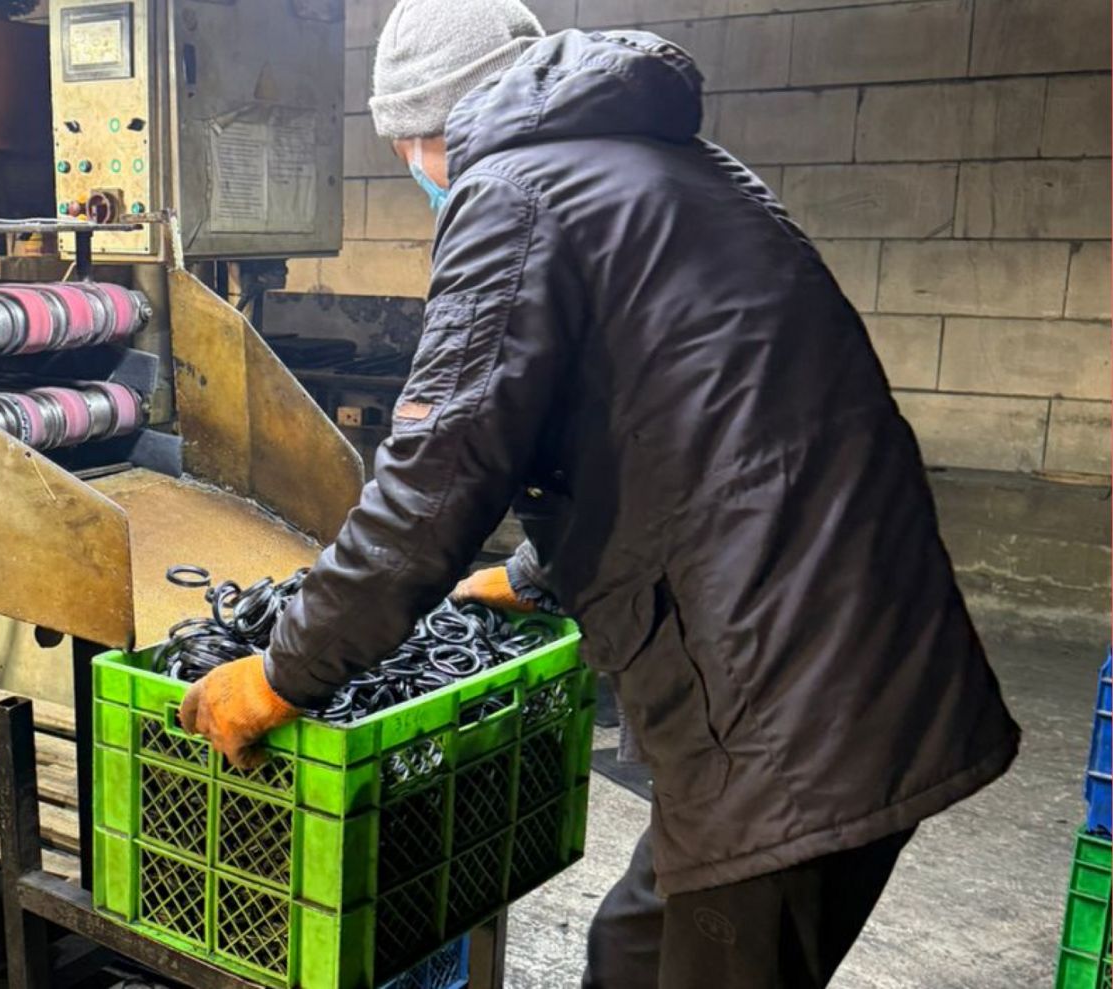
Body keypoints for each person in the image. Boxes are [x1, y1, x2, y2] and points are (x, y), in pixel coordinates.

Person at [177, 3, 1020, 987]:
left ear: (427, 126)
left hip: (784, 712)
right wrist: (536, 573)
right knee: (629, 951)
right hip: (843, 659)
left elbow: (432, 485)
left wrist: (281, 674)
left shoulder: (512, 191)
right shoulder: (678, 168)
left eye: (404, 144)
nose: (413, 167)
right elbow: (680, 423)